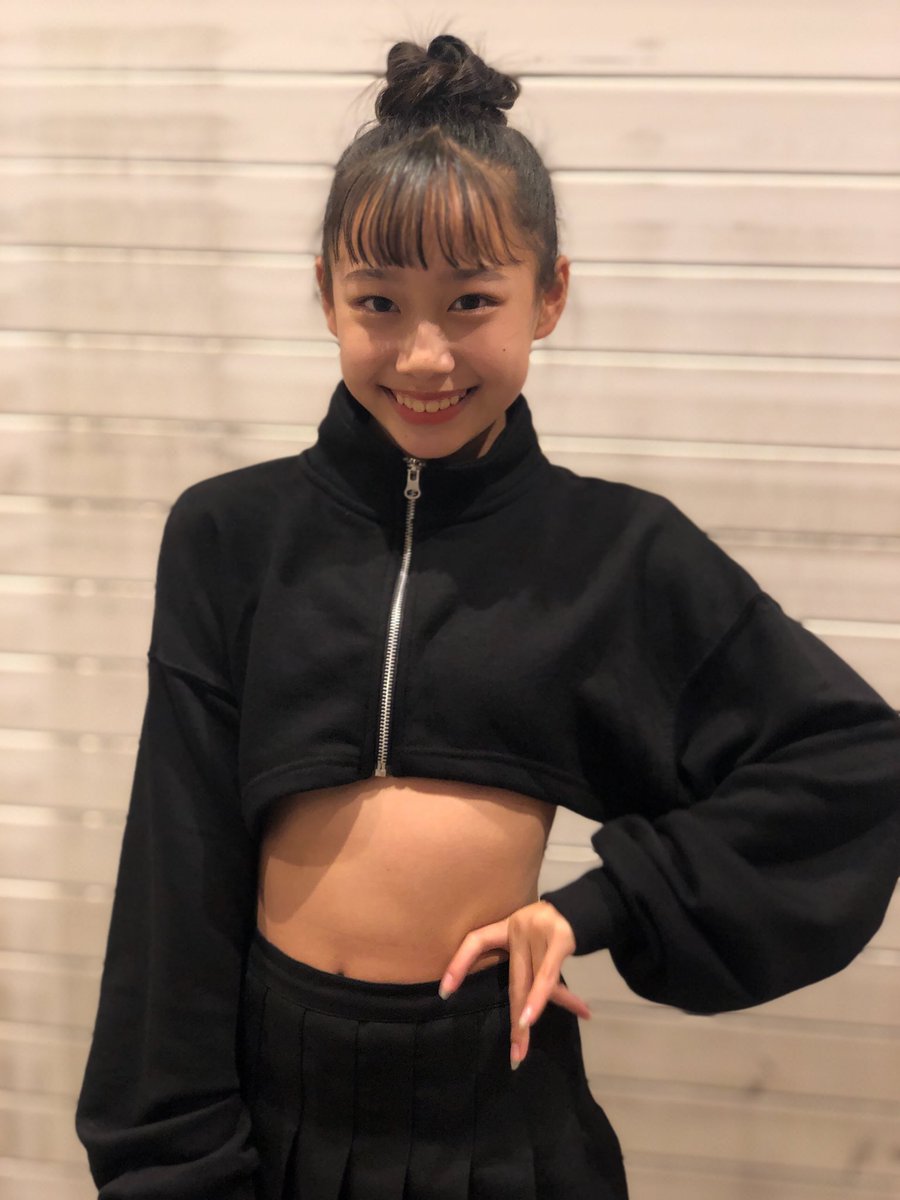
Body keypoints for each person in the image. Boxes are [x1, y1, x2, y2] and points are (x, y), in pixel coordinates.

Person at [75, 32, 900, 1200]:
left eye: (471, 302)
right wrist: (171, 1159)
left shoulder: (616, 550)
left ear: (548, 294)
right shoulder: (228, 537)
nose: (425, 356)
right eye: (379, 302)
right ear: (324, 293)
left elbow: (853, 762)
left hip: (503, 1120)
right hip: (272, 1109)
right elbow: (177, 873)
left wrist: (605, 903)